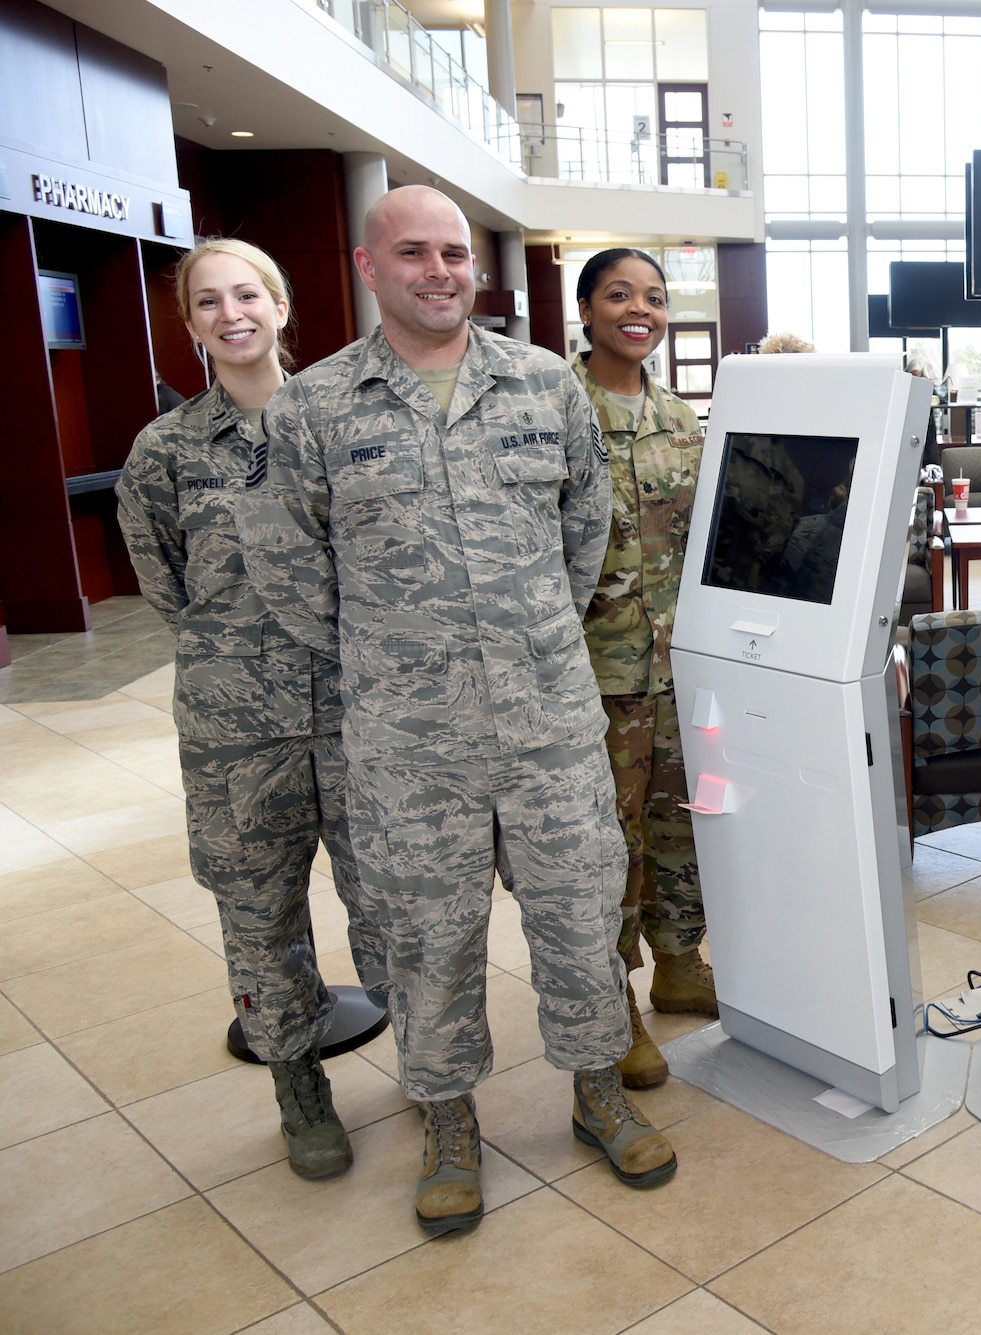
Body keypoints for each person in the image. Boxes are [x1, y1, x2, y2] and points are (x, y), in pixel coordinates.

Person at [243, 186, 676, 1237]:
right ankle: (445, 1120)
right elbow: (289, 569)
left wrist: (521, 636)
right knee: (428, 937)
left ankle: (593, 1091)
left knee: (577, 917)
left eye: (453, 254)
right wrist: (395, 659)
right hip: (409, 742)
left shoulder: (541, 386)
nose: (439, 271)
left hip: (547, 724)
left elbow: (584, 533)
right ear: (367, 266)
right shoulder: (314, 406)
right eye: (415, 254)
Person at [117, 238, 388, 1181]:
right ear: (189, 324)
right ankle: (298, 1089)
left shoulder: (349, 420)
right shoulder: (166, 452)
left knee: (391, 901)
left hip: (361, 714)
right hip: (238, 732)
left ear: (280, 306)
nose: (230, 314)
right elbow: (166, 584)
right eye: (207, 302)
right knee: (260, 917)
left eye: (247, 294)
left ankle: (438, 1079)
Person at [568, 248, 714, 1093]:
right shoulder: (557, 409)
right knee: (607, 842)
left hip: (677, 669)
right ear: (586, 308)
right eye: (620, 294)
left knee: (681, 822)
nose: (640, 309)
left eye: (654, 298)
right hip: (597, 676)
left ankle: (680, 960)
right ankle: (612, 1000)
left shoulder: (681, 418)